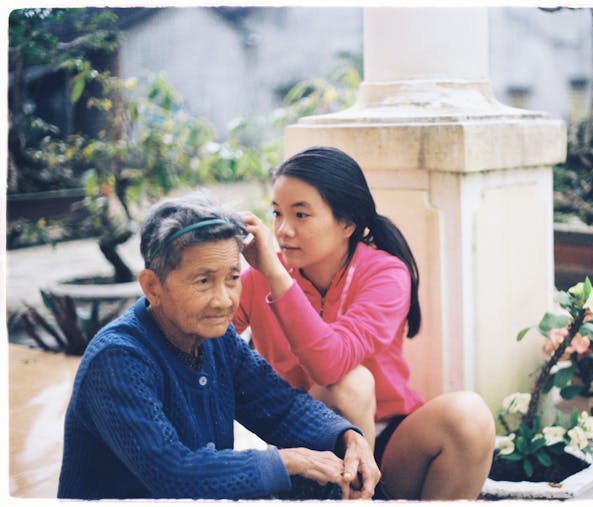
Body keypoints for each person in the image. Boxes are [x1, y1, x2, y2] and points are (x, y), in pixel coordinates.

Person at [57, 193, 379, 500]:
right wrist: (289, 461)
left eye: (233, 278)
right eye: (203, 281)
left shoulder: (218, 341)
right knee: (301, 471)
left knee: (338, 484)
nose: (224, 300)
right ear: (153, 287)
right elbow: (174, 473)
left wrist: (347, 436)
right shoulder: (117, 359)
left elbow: (282, 407)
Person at [233, 146, 496, 500]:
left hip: (390, 441)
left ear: (347, 224)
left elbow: (330, 363)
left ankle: (367, 492)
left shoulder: (385, 274)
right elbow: (201, 341)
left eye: (301, 215)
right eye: (277, 213)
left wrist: (276, 276)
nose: (282, 230)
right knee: (349, 387)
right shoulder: (259, 277)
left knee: (470, 415)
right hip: (302, 440)